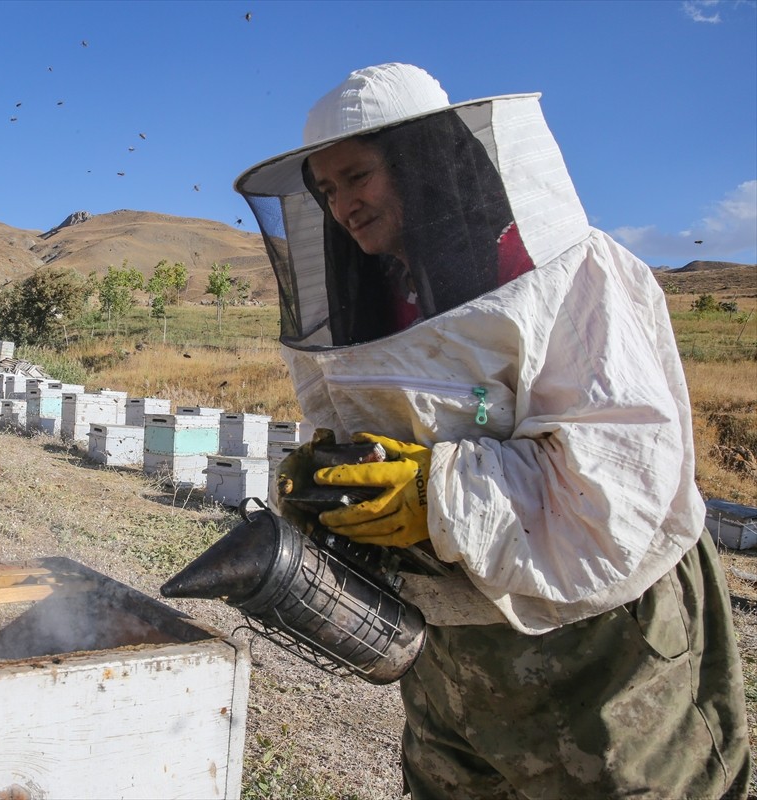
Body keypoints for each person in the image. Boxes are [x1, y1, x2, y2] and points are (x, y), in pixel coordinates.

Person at [235, 63, 750, 799]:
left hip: (601, 641)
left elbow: (622, 472)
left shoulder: (567, 272)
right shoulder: (378, 294)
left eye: (357, 177)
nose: (342, 205)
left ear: (420, 163)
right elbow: (374, 423)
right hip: (451, 643)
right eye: (326, 190)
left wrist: (436, 493)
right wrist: (329, 474)